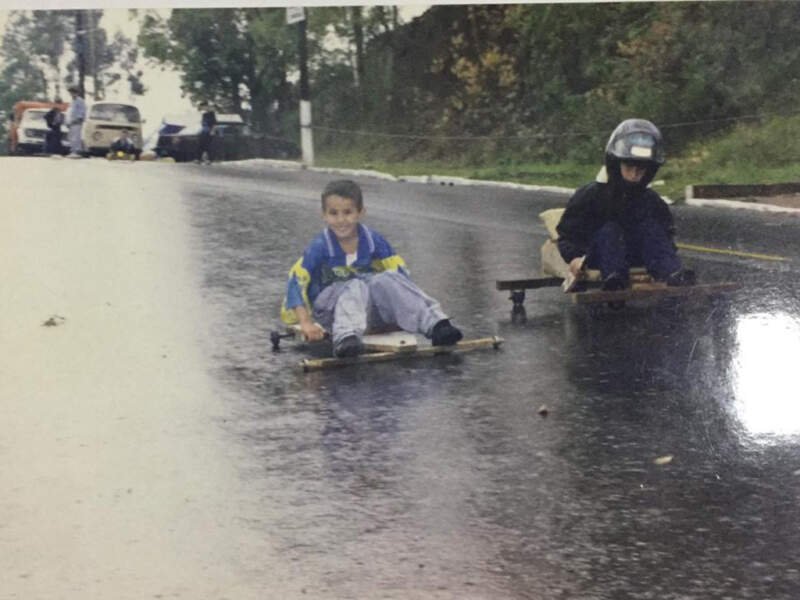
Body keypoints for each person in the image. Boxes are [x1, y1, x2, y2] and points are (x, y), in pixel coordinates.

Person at [281, 179, 463, 357]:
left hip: (365, 310)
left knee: (387, 278)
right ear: (324, 215)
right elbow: (296, 282)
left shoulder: (372, 240)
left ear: (360, 212)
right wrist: (306, 323)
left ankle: (436, 325)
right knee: (354, 284)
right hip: (331, 312)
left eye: (348, 212)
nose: (341, 220)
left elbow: (400, 275)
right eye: (333, 213)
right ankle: (346, 338)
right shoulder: (320, 246)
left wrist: (401, 312)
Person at [556, 118, 695, 291]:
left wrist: (664, 252)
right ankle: (614, 279)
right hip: (600, 255)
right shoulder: (591, 194)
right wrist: (574, 257)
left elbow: (665, 235)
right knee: (610, 230)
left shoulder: (651, 200)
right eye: (629, 166)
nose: (635, 173)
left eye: (642, 168)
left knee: (650, 228)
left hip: (639, 255)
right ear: (616, 163)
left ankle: (673, 273)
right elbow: (567, 235)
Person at [65, 86, 86, 157]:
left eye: (73, 93)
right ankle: (72, 151)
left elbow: (81, 112)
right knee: (71, 137)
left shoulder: (80, 101)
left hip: (77, 122)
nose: (71, 94)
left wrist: (77, 120)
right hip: (71, 122)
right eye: (70, 93)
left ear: (76, 93)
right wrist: (67, 122)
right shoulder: (72, 101)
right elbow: (69, 112)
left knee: (76, 137)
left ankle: (77, 152)